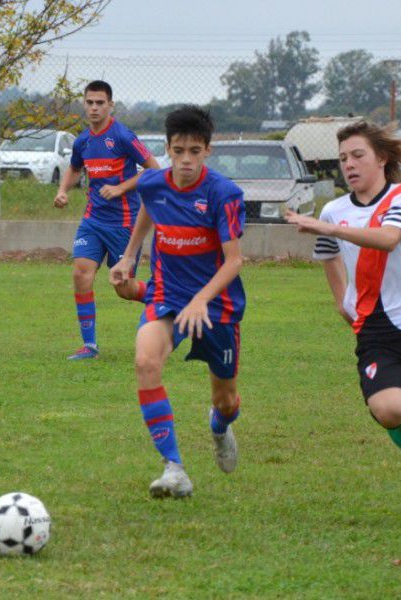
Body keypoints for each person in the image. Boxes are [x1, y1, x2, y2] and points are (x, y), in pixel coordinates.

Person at [285, 120, 401, 528]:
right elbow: (328, 254)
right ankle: (398, 416)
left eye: (358, 155)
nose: (348, 164)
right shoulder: (335, 209)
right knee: (388, 410)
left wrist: (325, 226)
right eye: (343, 158)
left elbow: (386, 238)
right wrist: (341, 300)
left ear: (382, 158)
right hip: (375, 329)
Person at [110, 105, 245, 498]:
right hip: (167, 295)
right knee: (145, 361)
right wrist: (129, 256)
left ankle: (219, 427)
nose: (186, 160)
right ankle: (174, 469)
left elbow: (234, 260)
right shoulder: (152, 183)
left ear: (208, 151)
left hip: (217, 304)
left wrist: (202, 299)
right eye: (179, 150)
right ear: (167, 148)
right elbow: (148, 211)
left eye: (195, 151)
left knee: (226, 400)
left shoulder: (224, 194)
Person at [53, 80, 161, 360]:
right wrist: (63, 191)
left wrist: (122, 187)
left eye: (100, 102)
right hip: (93, 220)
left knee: (123, 288)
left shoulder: (123, 136)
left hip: (125, 223)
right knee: (80, 273)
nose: (94, 107)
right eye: (89, 102)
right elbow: (75, 169)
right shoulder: (83, 141)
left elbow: (154, 170)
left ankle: (169, 300)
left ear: (110, 105)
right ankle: (89, 346)